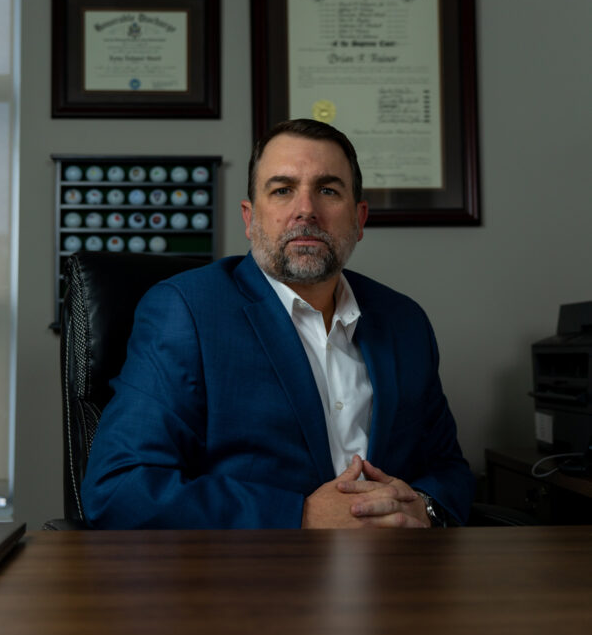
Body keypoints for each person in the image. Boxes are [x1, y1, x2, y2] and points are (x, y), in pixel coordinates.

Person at [81, 118, 475, 529]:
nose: (305, 210)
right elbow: (120, 488)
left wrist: (424, 507)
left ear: (359, 219)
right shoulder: (187, 312)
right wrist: (301, 516)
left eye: (327, 190)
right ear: (250, 218)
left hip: (396, 574)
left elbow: (448, 468)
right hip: (257, 579)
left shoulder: (404, 321)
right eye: (282, 190)